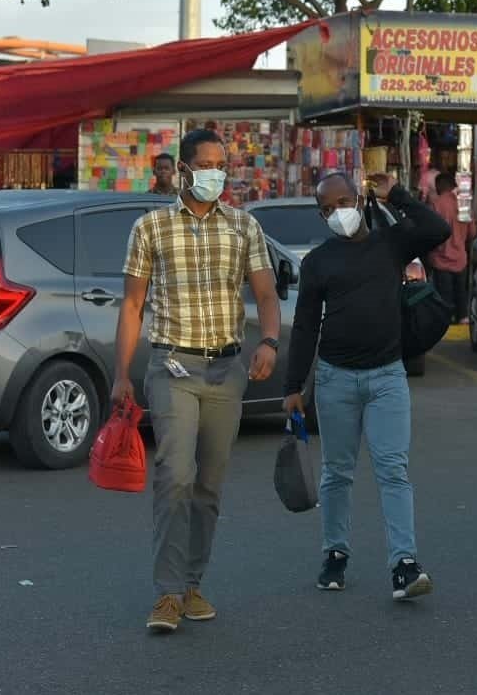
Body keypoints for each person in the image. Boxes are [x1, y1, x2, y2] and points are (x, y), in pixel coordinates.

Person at [113, 128, 281, 634]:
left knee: (209, 483)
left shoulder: (244, 227)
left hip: (225, 371)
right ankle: (167, 594)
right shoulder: (150, 228)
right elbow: (132, 304)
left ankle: (191, 584)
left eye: (221, 165)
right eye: (206, 165)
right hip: (172, 368)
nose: (216, 174)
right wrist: (121, 374)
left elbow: (267, 295)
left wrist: (269, 341)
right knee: (176, 473)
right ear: (184, 170)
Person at [282, 170, 450, 601]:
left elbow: (437, 229)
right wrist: (293, 386)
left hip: (387, 377)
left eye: (343, 203)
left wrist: (395, 194)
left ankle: (404, 566)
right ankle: (334, 554)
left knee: (393, 470)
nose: (337, 213)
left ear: (359, 200)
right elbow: (303, 326)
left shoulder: (389, 243)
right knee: (337, 473)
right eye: (327, 209)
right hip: (335, 379)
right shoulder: (318, 262)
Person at [426, 172, 473, 325]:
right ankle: (462, 316)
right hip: (460, 258)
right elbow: (472, 232)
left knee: (444, 294)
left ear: (440, 186)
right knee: (461, 291)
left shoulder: (436, 205)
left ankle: (446, 318)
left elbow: (430, 232)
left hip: (441, 258)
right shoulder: (463, 205)